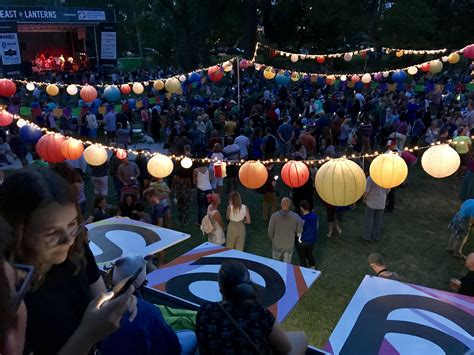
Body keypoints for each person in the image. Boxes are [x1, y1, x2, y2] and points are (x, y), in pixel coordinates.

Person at [0, 167, 136, 355]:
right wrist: (87, 334)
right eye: (52, 233)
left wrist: (116, 303)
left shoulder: (76, 251)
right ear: (18, 234)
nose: (68, 239)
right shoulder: (11, 288)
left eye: (72, 224)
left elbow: (100, 297)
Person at [196, 260, 308, 355]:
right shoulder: (259, 314)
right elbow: (286, 348)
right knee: (301, 338)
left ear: (221, 288)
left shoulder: (205, 311)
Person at [101, 256, 184, 355]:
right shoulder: (149, 312)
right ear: (138, 280)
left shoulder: (95, 301)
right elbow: (171, 348)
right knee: (190, 335)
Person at [268, 198, 303, 263]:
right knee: (286, 265)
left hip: (277, 244)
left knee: (275, 264)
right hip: (289, 245)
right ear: (289, 205)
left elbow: (270, 231)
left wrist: (273, 239)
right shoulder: (295, 216)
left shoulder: (274, 216)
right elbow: (300, 231)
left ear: (281, 204)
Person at [363, 176, 390, 242]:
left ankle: (367, 236)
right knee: (378, 220)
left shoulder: (371, 178)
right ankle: (376, 236)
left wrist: (363, 198)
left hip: (371, 202)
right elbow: (388, 190)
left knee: (369, 219)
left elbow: (366, 191)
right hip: (381, 202)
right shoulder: (387, 177)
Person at [296, 200, 317, 268]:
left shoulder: (302, 219)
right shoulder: (314, 216)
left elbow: (299, 230)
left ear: (301, 208)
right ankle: (312, 266)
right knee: (309, 254)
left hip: (303, 241)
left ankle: (304, 268)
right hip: (311, 240)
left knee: (302, 256)